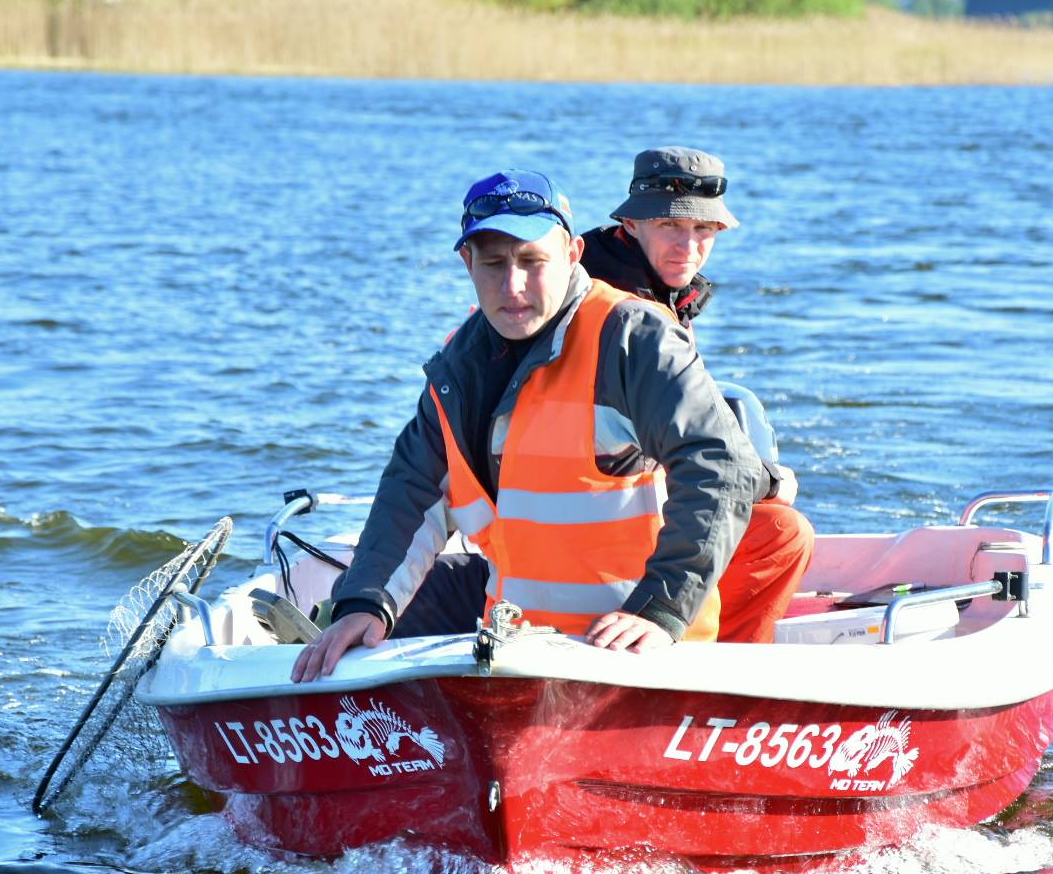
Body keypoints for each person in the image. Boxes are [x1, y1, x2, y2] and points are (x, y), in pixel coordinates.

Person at [292, 168, 770, 683]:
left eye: (532, 262)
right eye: (494, 264)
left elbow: (721, 465)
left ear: (571, 256)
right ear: (466, 262)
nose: (512, 286)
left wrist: (659, 609)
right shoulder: (457, 369)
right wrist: (364, 603)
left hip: (645, 656)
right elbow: (413, 491)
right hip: (517, 654)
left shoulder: (635, 337)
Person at [578, 146, 814, 645]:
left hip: (598, 496)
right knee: (782, 534)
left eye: (703, 231)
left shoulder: (628, 282)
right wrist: (767, 482)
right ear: (632, 224)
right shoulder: (630, 313)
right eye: (671, 227)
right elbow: (697, 455)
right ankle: (726, 688)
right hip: (600, 514)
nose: (689, 247)